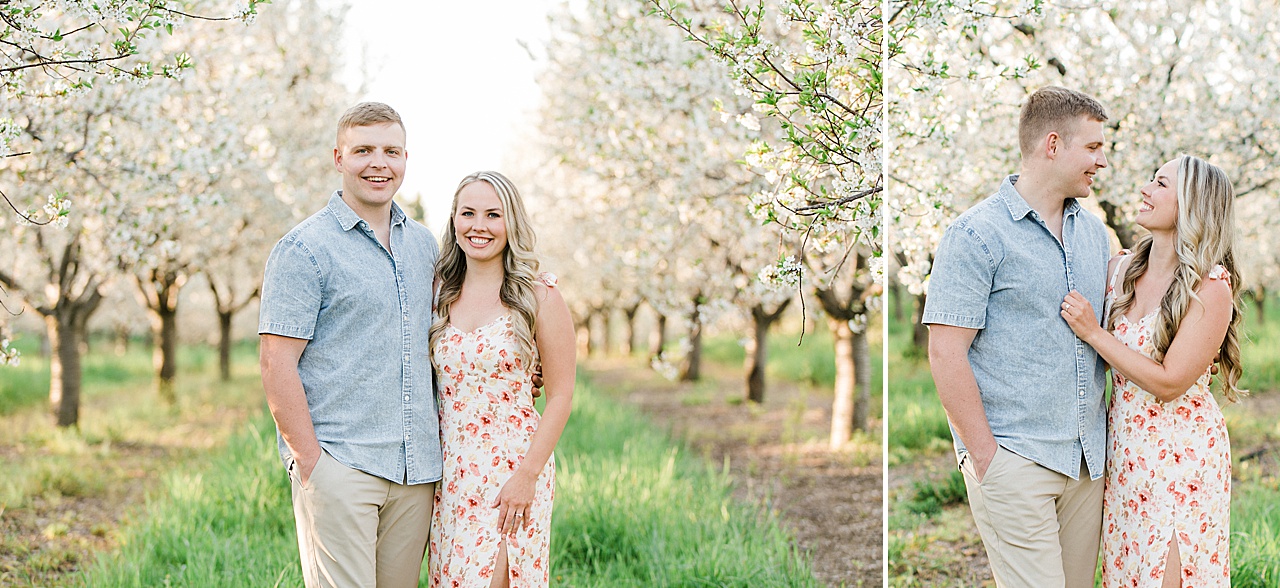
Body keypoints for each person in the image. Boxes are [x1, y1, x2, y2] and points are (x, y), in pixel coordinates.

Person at [923, 86, 1112, 587]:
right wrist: (988, 458)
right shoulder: (976, 234)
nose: (1103, 161)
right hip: (1014, 458)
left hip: (1087, 464)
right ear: (1053, 144)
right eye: (1093, 147)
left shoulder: (1094, 235)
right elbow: (945, 352)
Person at [258, 102, 442, 588]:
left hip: (416, 471)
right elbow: (276, 362)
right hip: (341, 465)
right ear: (339, 158)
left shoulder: (426, 246)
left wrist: (537, 290)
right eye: (363, 150)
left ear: (406, 159)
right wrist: (312, 463)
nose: (378, 163)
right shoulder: (304, 249)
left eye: (391, 151)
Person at [1061, 155, 1242, 587]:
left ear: (1192, 203)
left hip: (1183, 458)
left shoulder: (1210, 288)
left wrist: (1093, 332)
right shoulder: (1120, 270)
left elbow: (1169, 382)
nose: (1145, 189)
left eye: (1160, 183)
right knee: (1129, 574)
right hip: (1125, 455)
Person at [427, 171, 575, 588]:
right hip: (451, 473)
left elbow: (561, 394)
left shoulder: (539, 296)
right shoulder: (439, 294)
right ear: (454, 220)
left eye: (494, 215)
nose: (479, 226)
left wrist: (527, 475)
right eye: (468, 213)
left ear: (512, 223)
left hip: (513, 469)